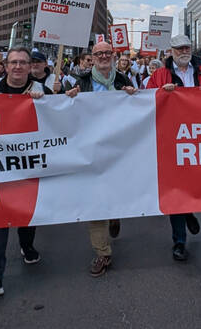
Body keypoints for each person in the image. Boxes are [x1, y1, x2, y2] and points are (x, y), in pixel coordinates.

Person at [0, 47, 47, 296]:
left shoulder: (40, 90)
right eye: (13, 62)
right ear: (5, 65)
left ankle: (27, 245)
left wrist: (46, 103)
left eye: (23, 63)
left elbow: (53, 124)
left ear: (30, 67)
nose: (17, 67)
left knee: (26, 213)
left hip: (28, 163)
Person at [64, 41, 138, 276]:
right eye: (99, 53)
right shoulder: (82, 82)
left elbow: (138, 111)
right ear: (92, 58)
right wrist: (69, 97)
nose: (104, 56)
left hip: (119, 151)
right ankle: (102, 253)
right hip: (91, 151)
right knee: (95, 202)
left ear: (114, 56)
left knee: (115, 194)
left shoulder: (123, 80)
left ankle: (115, 214)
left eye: (108, 53)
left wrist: (134, 96)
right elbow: (68, 112)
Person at [145, 35, 201, 261]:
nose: (183, 51)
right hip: (171, 138)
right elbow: (146, 102)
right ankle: (179, 241)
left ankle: (188, 212)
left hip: (198, 136)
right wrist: (159, 93)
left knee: (194, 185)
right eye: (178, 48)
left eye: (186, 47)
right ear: (171, 51)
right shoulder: (159, 75)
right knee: (175, 189)